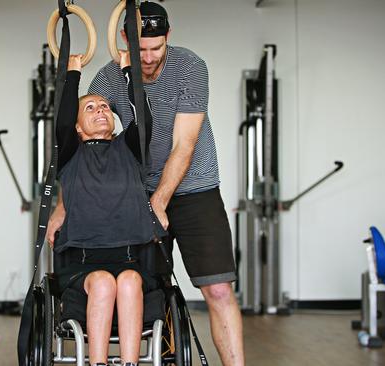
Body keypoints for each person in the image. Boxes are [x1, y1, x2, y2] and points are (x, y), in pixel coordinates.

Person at [47, 2, 245, 365]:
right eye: (141, 49)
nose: (150, 57)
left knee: (218, 289)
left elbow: (183, 145)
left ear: (168, 37)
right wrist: (64, 206)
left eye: (157, 48)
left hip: (194, 189)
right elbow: (85, 153)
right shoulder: (107, 79)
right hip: (133, 199)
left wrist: (158, 203)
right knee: (153, 291)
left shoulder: (190, 66)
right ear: (124, 39)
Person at [53, 51, 160, 366]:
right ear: (77, 127)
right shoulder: (71, 154)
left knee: (128, 281)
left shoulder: (128, 149)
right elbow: (61, 120)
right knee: (102, 282)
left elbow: (143, 115)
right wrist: (73, 72)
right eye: (90, 107)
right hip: (83, 263)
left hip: (131, 257)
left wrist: (129, 68)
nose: (100, 110)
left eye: (104, 106)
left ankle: (130, 364)